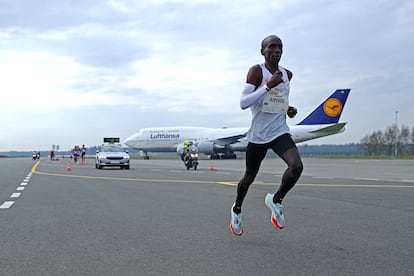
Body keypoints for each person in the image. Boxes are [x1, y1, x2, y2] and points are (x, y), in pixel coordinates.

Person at [229, 35, 303, 236]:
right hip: (258, 135)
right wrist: (267, 86)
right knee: (249, 177)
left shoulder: (287, 74)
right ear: (263, 51)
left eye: (280, 47)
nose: (276, 50)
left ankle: (276, 200)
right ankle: (237, 208)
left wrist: (287, 109)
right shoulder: (256, 71)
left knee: (296, 166)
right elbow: (244, 103)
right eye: (271, 47)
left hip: (279, 131)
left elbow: (277, 99)